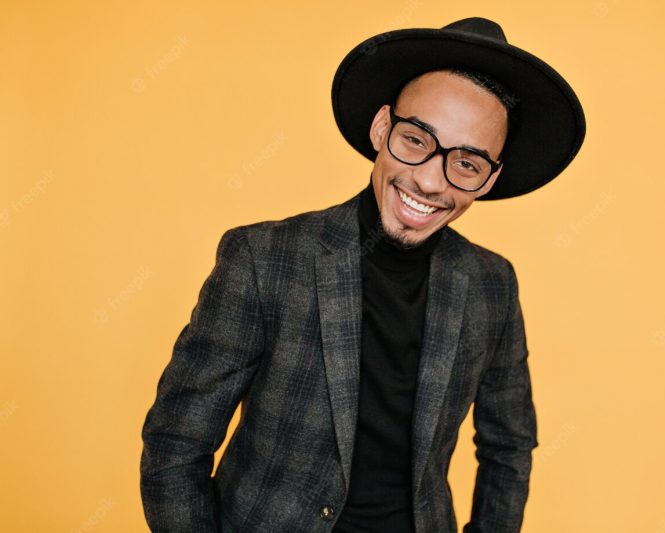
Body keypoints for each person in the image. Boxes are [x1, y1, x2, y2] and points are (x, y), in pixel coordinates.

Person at [140, 16, 585, 533]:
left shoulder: (493, 283)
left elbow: (509, 446)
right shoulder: (263, 258)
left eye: (466, 163)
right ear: (381, 128)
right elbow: (176, 443)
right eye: (417, 141)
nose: (429, 180)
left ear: (490, 178)